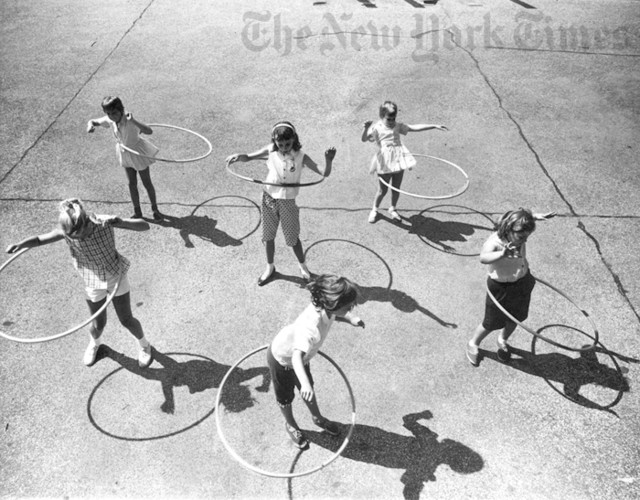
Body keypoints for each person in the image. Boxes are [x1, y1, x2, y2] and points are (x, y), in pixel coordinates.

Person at [5, 198, 154, 368]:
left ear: (87, 224)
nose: (79, 238)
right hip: (92, 279)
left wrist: (121, 221)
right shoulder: (66, 231)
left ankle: (145, 345)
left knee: (126, 319)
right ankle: (96, 343)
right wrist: (20, 244)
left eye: (80, 234)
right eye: (72, 235)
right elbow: (39, 240)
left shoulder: (104, 222)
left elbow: (144, 226)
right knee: (98, 322)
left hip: (115, 275)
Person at [226, 121, 335, 286]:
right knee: (268, 236)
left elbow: (324, 172)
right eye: (280, 143)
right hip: (269, 197)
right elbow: (248, 157)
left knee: (292, 237)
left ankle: (303, 268)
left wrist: (328, 160)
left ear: (294, 139)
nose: (284, 147)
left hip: (287, 202)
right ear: (275, 141)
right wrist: (238, 156)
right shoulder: (271, 151)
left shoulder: (301, 157)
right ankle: (270, 268)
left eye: (288, 143)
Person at [267, 274, 365, 448]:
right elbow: (296, 356)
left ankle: (317, 418)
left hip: (302, 358)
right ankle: (290, 423)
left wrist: (350, 318)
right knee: (285, 396)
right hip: (282, 359)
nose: (351, 308)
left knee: (309, 389)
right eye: (348, 307)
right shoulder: (310, 326)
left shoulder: (327, 308)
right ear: (333, 305)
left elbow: (337, 315)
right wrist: (303, 383)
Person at [466, 208, 556, 366]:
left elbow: (519, 217)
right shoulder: (494, 242)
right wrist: (502, 254)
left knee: (516, 318)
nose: (525, 241)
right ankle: (473, 343)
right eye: (522, 237)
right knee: (490, 323)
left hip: (522, 282)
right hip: (501, 288)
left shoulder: (519, 231)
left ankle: (502, 340)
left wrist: (535, 216)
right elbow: (483, 258)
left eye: (527, 237)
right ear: (509, 229)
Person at [361, 101, 448, 223]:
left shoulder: (397, 126)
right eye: (388, 119)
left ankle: (392, 208)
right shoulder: (377, 127)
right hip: (384, 162)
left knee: (396, 188)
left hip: (398, 161)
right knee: (382, 190)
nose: (391, 121)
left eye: (393, 118)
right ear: (382, 116)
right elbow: (364, 139)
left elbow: (413, 127)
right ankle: (374, 209)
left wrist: (433, 125)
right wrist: (366, 129)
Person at [87, 96, 162, 220]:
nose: (112, 116)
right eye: (108, 113)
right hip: (124, 152)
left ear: (121, 109)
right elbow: (93, 121)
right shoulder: (110, 120)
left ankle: (155, 209)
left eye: (114, 113)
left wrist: (134, 121)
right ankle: (137, 211)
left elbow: (149, 131)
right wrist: (90, 126)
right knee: (131, 183)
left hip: (137, 152)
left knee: (146, 182)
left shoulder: (129, 121)